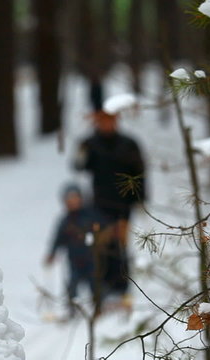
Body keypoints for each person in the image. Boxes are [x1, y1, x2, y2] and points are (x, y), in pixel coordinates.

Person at [74, 110, 146, 297]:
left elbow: (139, 172)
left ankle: (121, 286)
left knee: (120, 245)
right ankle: (102, 285)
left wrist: (140, 198)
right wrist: (81, 150)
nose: (107, 125)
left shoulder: (129, 144)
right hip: (99, 205)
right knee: (101, 244)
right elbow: (79, 166)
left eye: (110, 121)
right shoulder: (90, 144)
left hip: (124, 205)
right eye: (102, 121)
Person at [45, 184, 102, 317]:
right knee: (72, 286)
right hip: (74, 260)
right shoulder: (65, 221)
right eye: (69, 200)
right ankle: (72, 310)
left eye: (75, 198)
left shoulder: (91, 215)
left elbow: (101, 230)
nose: (72, 202)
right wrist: (52, 253)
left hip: (91, 258)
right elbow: (58, 239)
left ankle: (98, 307)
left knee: (95, 284)